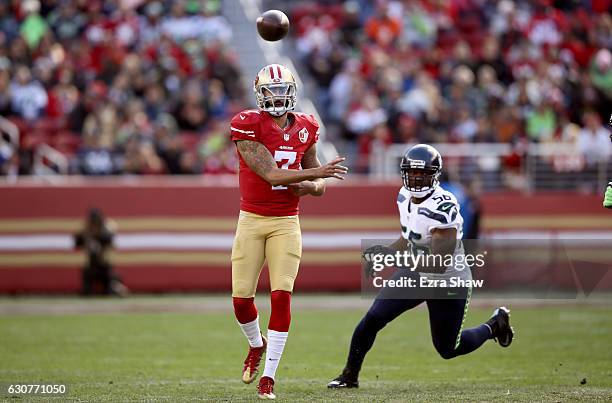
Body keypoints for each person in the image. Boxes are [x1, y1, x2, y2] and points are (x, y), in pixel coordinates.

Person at [327, 144, 514, 389]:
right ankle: (349, 376)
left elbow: (437, 264)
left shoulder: (442, 207)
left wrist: (394, 260)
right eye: (412, 173)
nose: (416, 178)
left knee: (448, 349)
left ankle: (494, 326)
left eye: (423, 173)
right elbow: (409, 237)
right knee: (373, 318)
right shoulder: (404, 196)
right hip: (416, 270)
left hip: (447, 278)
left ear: (435, 175)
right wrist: (386, 251)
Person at [229, 63, 348, 400]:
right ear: (260, 94)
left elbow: (319, 183)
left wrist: (312, 185)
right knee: (241, 301)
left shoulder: (307, 127)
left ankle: (269, 377)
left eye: (283, 91)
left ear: (292, 93)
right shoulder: (247, 125)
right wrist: (313, 176)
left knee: (281, 296)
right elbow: (271, 175)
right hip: (252, 219)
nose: (278, 98)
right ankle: (256, 344)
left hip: (286, 221)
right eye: (271, 92)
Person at [74, 208, 128, 296]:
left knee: (108, 291)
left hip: (105, 267)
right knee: (86, 290)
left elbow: (110, 240)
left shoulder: (107, 228)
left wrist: (96, 236)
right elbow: (77, 243)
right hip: (91, 266)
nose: (94, 225)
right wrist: (85, 235)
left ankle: (116, 287)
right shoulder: (86, 229)